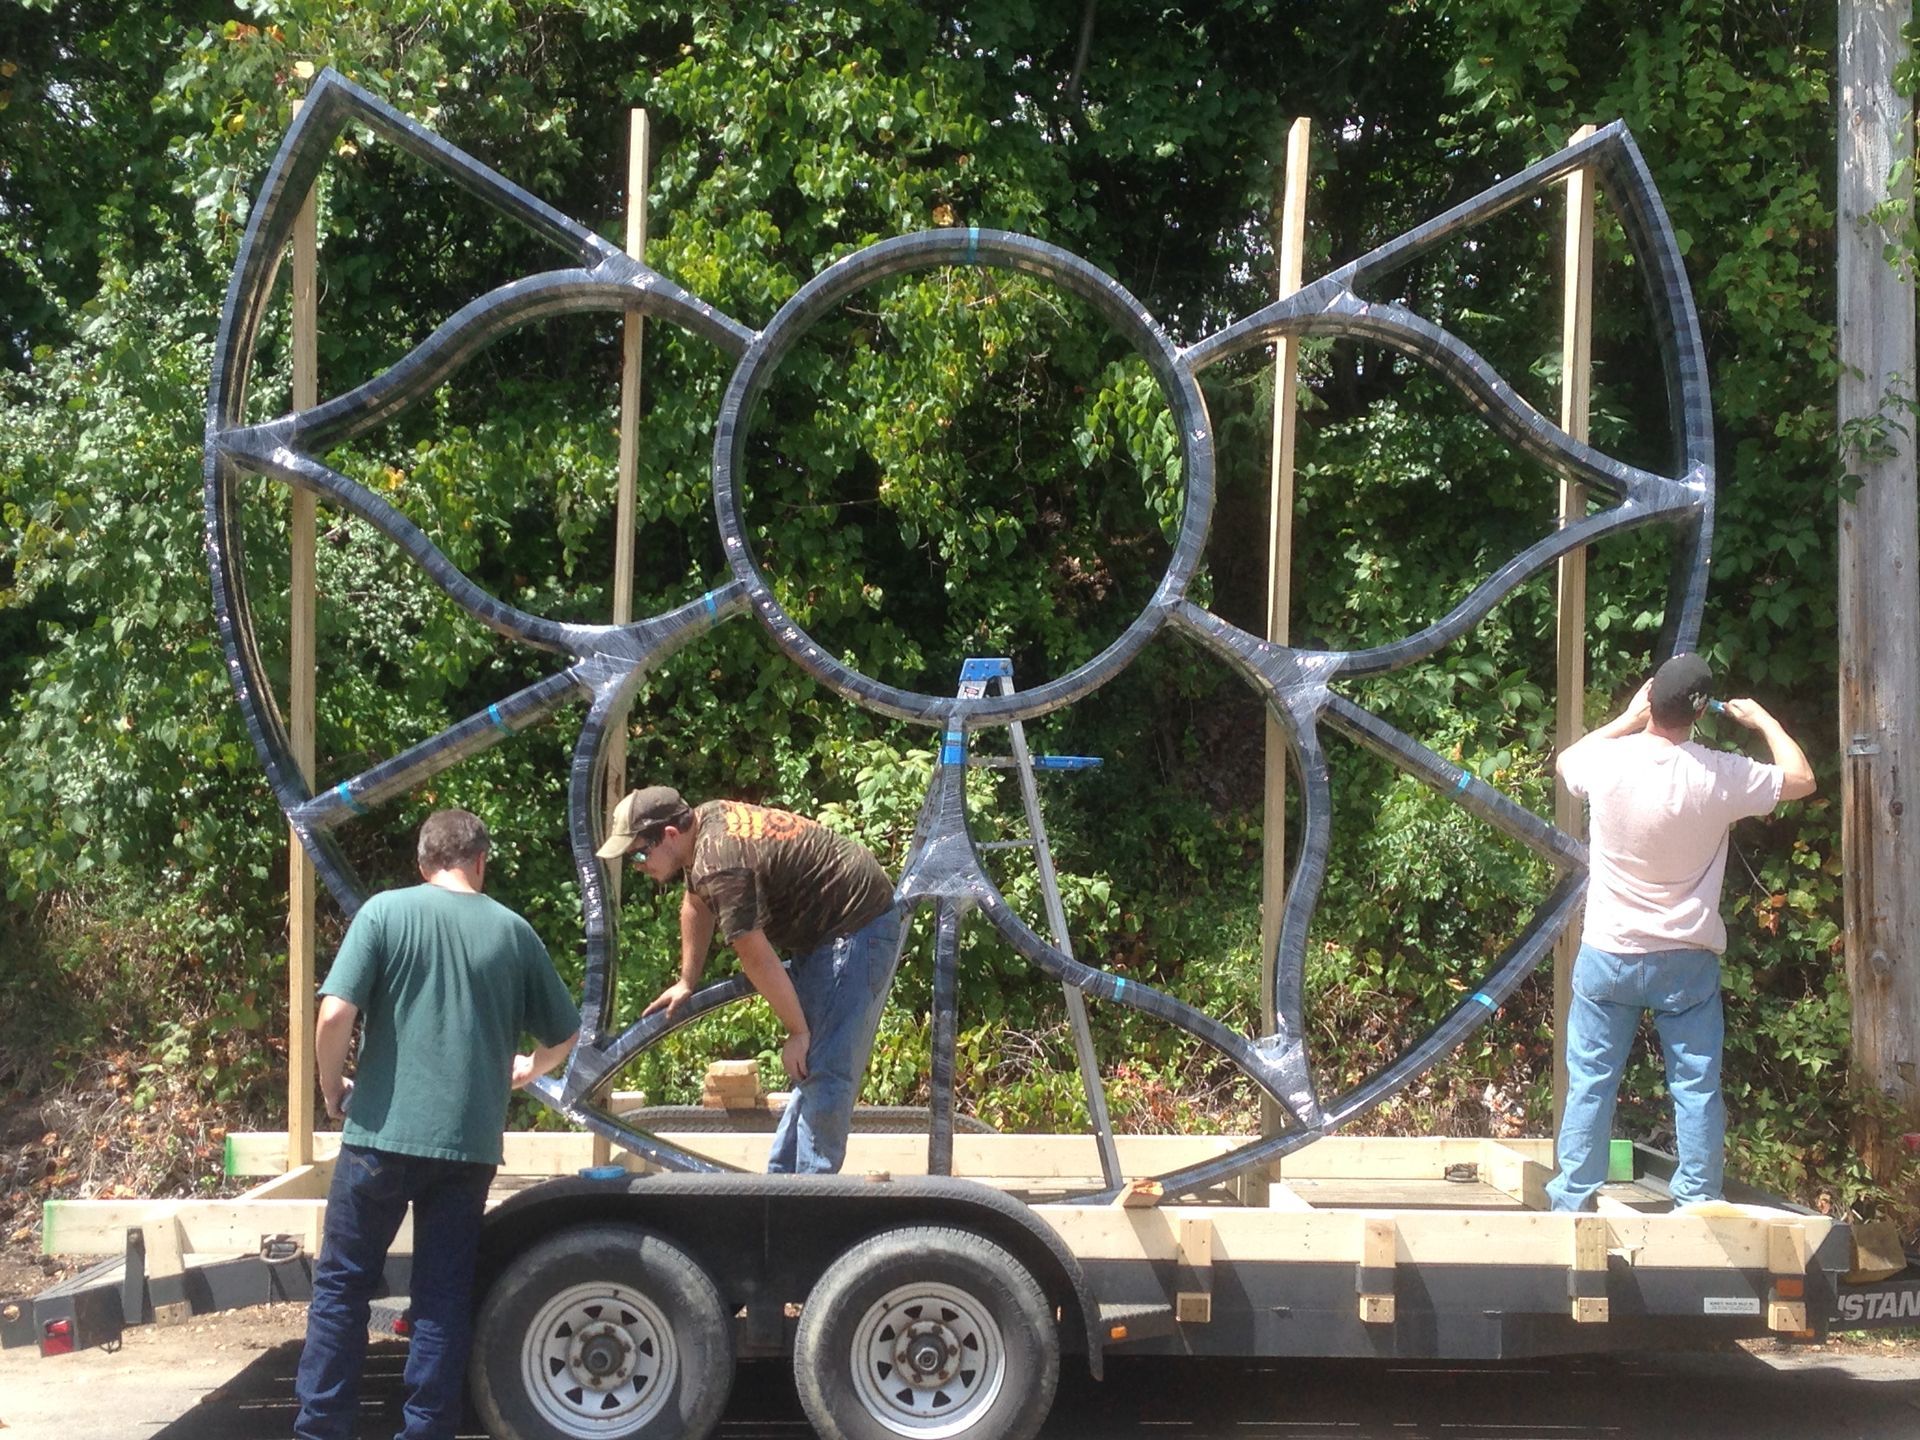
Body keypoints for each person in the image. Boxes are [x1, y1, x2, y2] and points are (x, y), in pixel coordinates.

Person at [294, 808, 579, 1440]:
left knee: (342, 1291)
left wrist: (331, 1087)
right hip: (466, 1146)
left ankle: (321, 1430)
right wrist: (530, 1068)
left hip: (379, 1138)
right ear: (480, 861)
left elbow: (335, 1012)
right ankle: (426, 1431)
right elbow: (564, 1035)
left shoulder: (385, 913)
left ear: (423, 863)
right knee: (441, 1299)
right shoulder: (512, 932)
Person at [1545, 652, 1815, 1213]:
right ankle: (1695, 1201)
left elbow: (1566, 760)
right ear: (1699, 712)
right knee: (1695, 1087)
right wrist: (1766, 721)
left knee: (1592, 1081)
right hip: (1684, 960)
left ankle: (1573, 1200)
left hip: (1609, 951)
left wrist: (1624, 719)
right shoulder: (1719, 774)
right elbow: (1801, 779)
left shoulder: (1608, 763)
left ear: (1651, 703)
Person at [598, 785, 902, 1175]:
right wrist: (686, 980)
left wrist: (797, 1031)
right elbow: (695, 903)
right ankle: (782, 1186)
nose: (637, 865)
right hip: (827, 926)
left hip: (856, 924)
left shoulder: (721, 860)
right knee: (812, 1068)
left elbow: (755, 957)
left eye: (639, 853)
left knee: (826, 1069)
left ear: (670, 834)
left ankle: (811, 1197)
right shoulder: (704, 822)